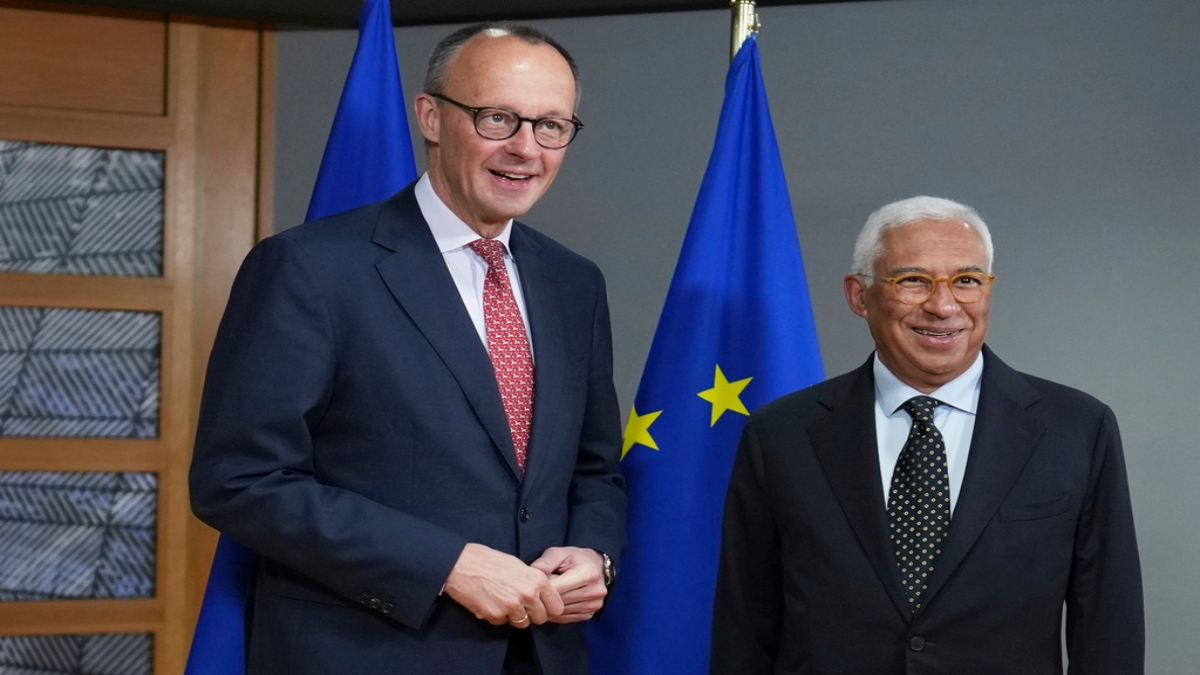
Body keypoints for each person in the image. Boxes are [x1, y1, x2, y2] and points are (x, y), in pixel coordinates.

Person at [189, 23, 625, 675]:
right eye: (498, 117)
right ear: (430, 116)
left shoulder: (574, 282)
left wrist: (594, 554)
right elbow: (240, 480)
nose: (525, 149)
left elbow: (594, 467)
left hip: (542, 655)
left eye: (551, 126)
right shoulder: (311, 268)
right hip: (365, 652)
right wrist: (445, 562)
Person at [711, 196, 1143, 673]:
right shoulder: (780, 434)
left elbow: (1108, 629)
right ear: (859, 296)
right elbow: (745, 628)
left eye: (967, 281)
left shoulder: (1077, 429)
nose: (943, 305)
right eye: (913, 280)